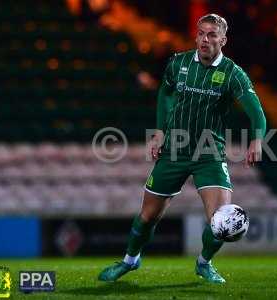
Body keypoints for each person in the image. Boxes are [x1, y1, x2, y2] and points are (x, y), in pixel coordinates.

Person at [98, 13, 267, 284]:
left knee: (221, 221)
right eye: (201, 33)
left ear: (223, 40)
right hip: (174, 151)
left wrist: (257, 140)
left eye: (212, 34)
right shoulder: (178, 63)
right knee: (147, 216)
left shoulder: (233, 75)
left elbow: (256, 112)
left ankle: (204, 263)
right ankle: (130, 261)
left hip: (209, 153)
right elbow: (165, 93)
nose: (204, 39)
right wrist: (159, 132)